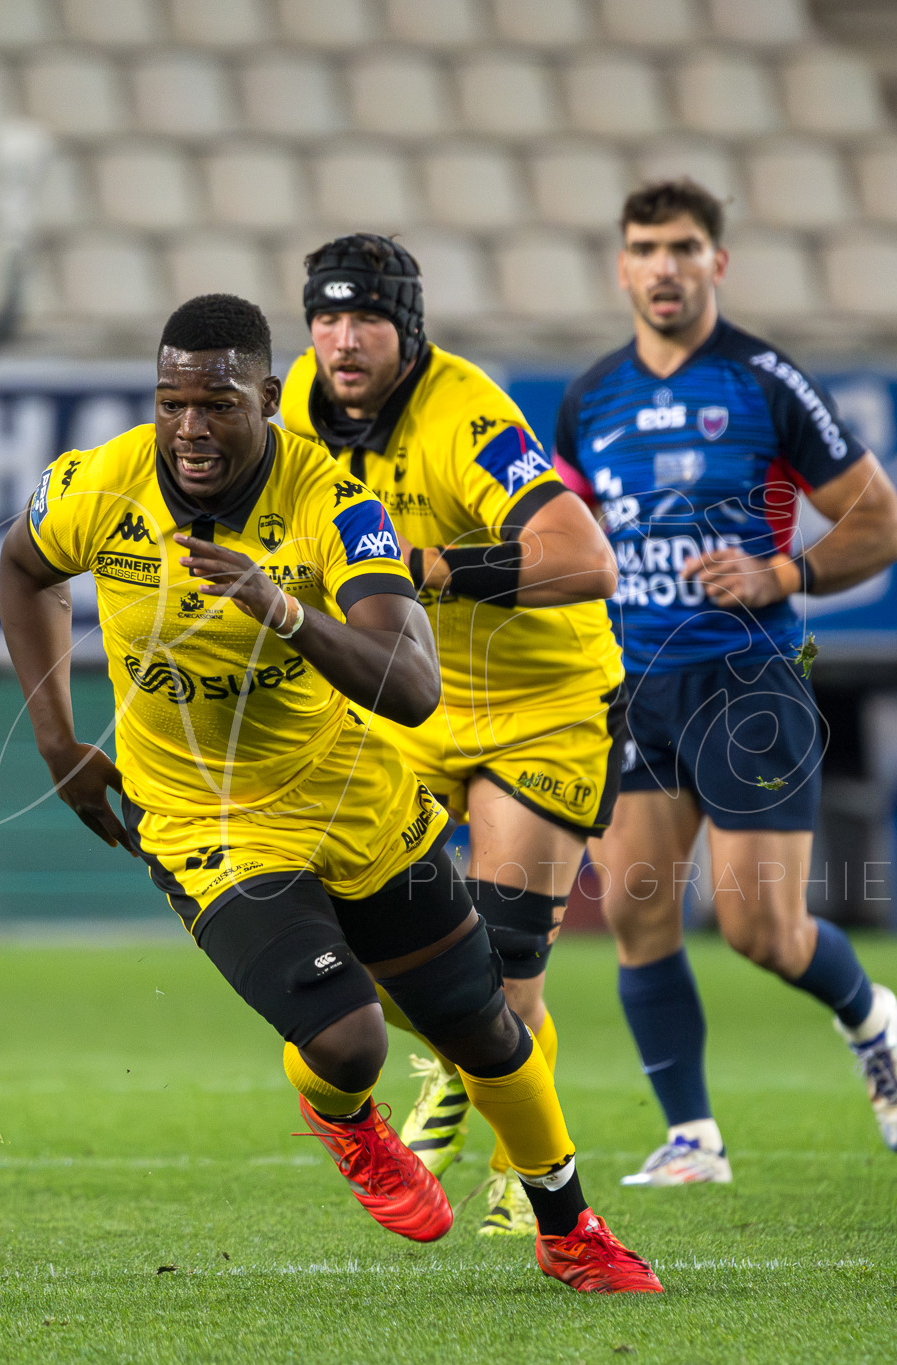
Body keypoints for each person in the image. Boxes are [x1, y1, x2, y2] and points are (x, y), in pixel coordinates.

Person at [0, 293, 660, 1292]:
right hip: (204, 819)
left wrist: (282, 610)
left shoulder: (333, 505)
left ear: (267, 399)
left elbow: (413, 684)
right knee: (350, 1040)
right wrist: (56, 742)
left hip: (352, 798)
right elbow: (22, 566)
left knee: (484, 1024)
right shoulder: (98, 484)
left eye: (217, 405)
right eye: (171, 403)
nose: (189, 428)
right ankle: (345, 1117)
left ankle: (569, 1230)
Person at [553, 179, 897, 1187]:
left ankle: (868, 1017)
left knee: (761, 930)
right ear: (621, 267)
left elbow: (883, 525)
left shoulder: (765, 382)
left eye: (682, 247)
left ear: (715, 262)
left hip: (746, 680)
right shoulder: (588, 398)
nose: (663, 266)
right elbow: (569, 542)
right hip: (633, 687)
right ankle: (693, 1139)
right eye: (644, 248)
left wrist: (782, 573)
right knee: (636, 913)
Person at [278, 234, 625, 1235]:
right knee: (348, 937)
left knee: (502, 970)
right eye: (327, 318)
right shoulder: (294, 404)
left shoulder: (466, 414)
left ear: (409, 326)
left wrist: (424, 565)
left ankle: (526, 1167)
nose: (344, 341)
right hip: (411, 704)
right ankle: (457, 1055)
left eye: (367, 319)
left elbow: (585, 559)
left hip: (540, 705)